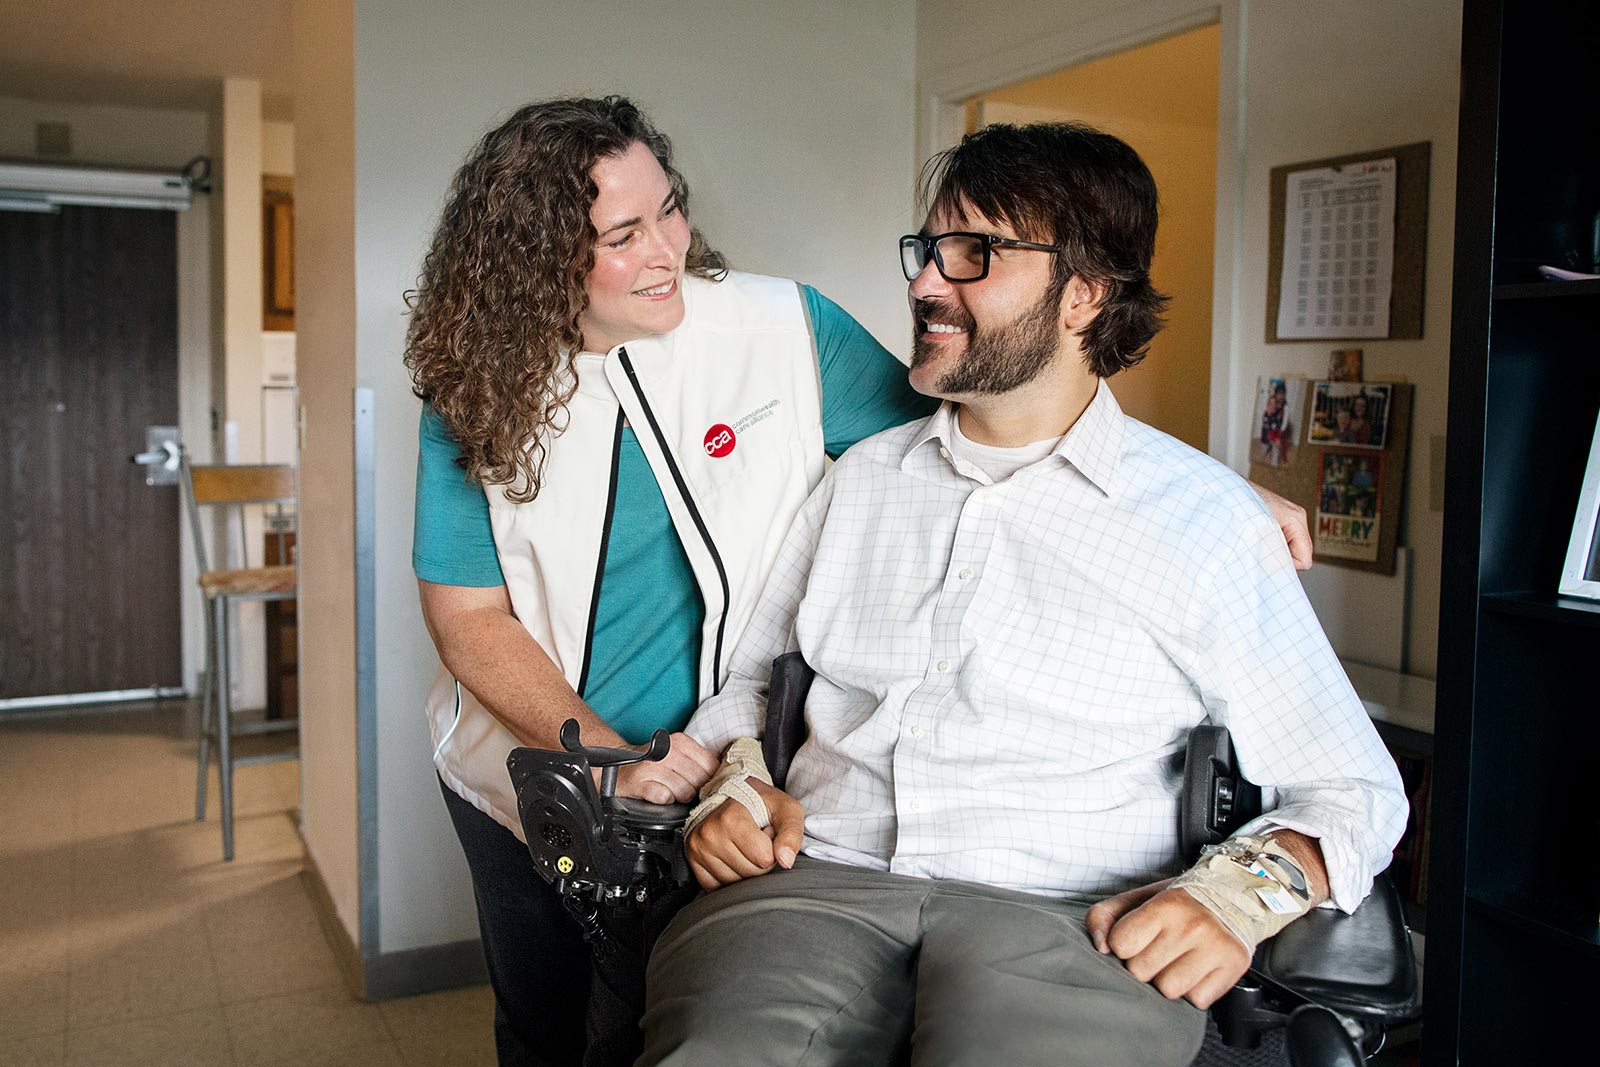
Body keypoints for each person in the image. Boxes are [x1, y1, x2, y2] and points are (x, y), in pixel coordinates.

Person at [405, 99, 1313, 1067]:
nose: (669, 247)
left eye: (669, 209)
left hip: (726, 780)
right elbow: (470, 620)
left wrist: (1209, 490)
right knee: (544, 1025)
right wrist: (610, 757)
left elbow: (997, 421)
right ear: (539, 257)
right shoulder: (480, 380)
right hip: (545, 761)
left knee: (636, 1025)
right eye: (624, 235)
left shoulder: (781, 329)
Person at [636, 122, 1407, 1067]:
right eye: (928, 250)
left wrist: (1236, 896)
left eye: (975, 254)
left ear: (1084, 292)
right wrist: (737, 779)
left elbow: (1354, 788)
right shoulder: (858, 481)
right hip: (813, 884)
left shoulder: (1204, 522)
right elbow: (752, 684)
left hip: (1071, 918)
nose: (924, 283)